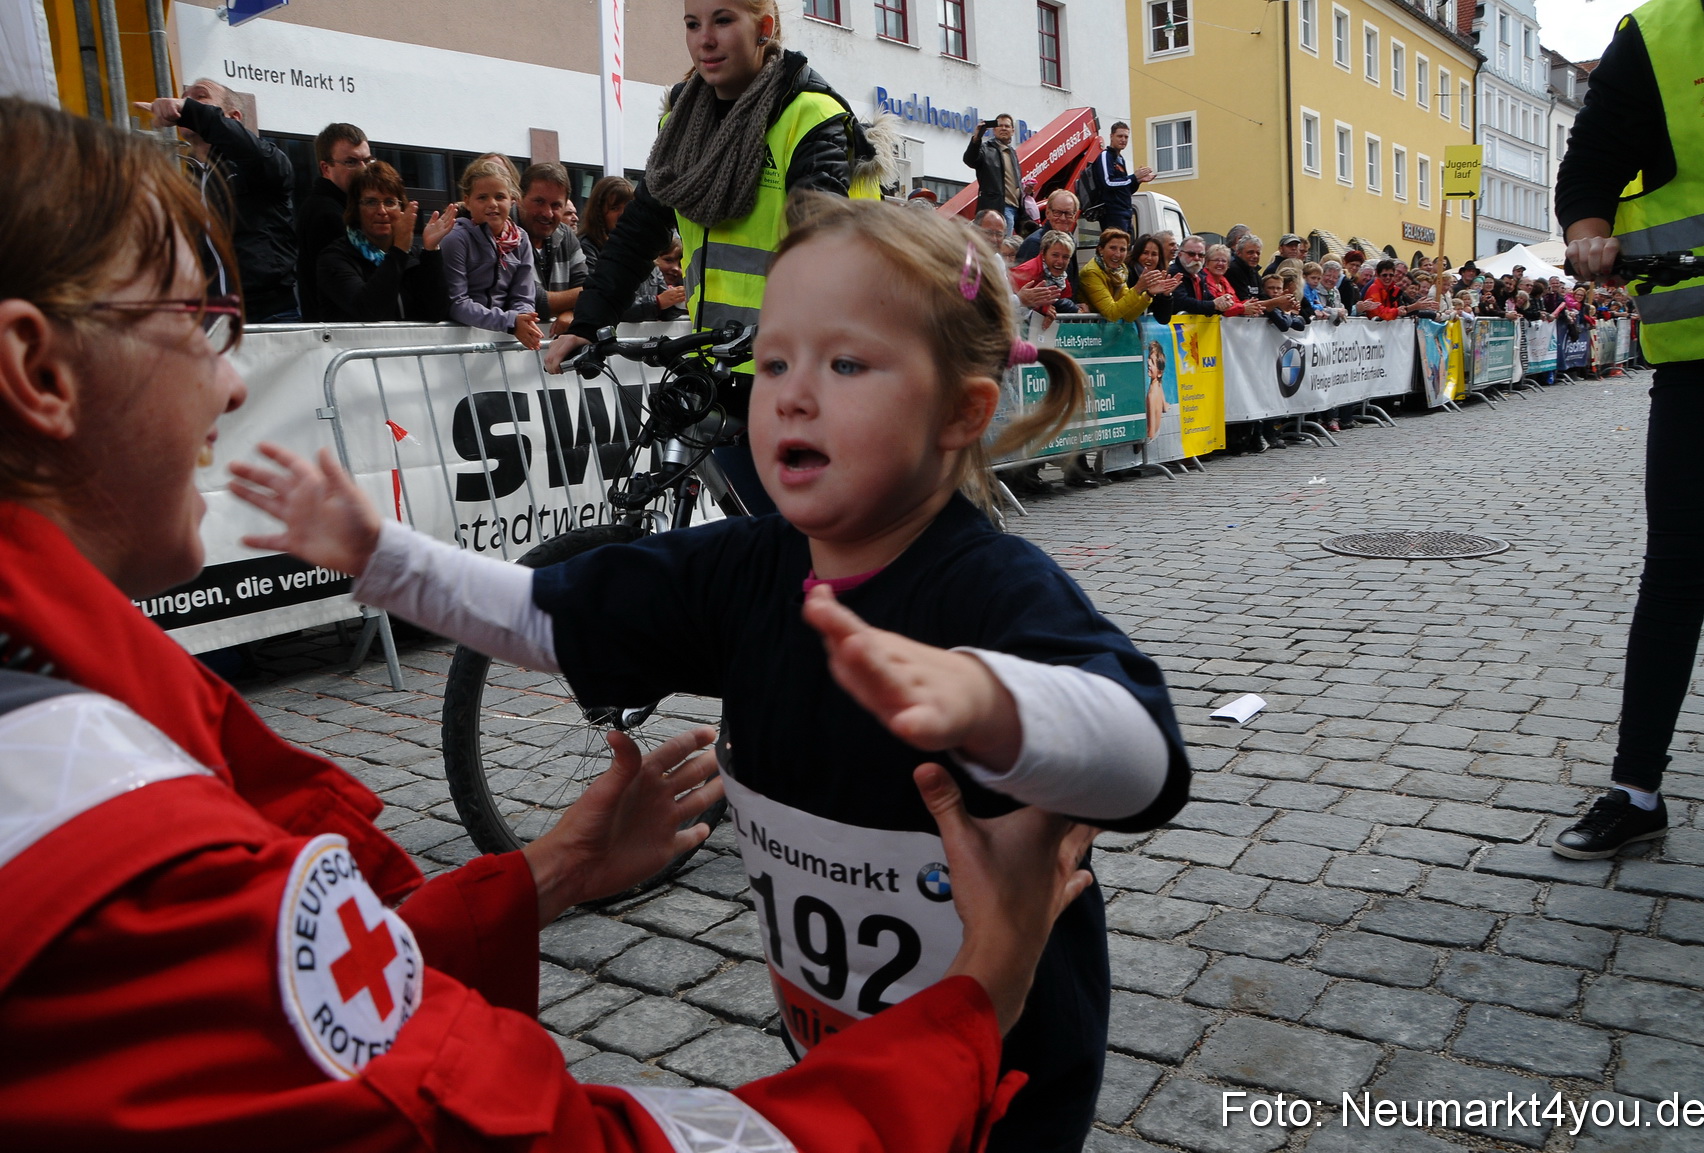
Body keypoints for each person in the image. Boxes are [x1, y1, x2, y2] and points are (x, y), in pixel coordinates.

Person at [0, 96, 1103, 1153]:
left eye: (845, 364)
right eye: (203, 321)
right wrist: (972, 998)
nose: (234, 386)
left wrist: (545, 873)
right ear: (38, 369)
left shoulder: (1000, 586)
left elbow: (284, 993)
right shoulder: (104, 834)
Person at [236, 197, 1192, 1153]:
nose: (791, 393)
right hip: (839, 1056)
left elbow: (1144, 762)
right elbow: (547, 615)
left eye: (846, 363)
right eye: (773, 360)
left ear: (960, 413)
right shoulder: (744, 565)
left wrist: (993, 704)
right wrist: (384, 557)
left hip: (1004, 1074)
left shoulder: (993, 586)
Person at [1550, 0, 1704, 858]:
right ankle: (1635, 790)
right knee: (1676, 575)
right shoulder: (1657, 37)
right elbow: (1590, 163)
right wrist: (1587, 230)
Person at [544, 0, 883, 428]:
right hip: (714, 368)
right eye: (692, 24)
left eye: (723, 20)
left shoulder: (811, 115)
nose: (705, 39)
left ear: (762, 28)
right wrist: (589, 323)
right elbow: (637, 233)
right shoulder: (680, 123)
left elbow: (819, 254)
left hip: (797, 376)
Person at [136, 78, 298, 322]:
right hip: (209, 320)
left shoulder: (261, 161)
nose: (187, 102)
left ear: (233, 117)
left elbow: (246, 148)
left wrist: (189, 111)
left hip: (267, 316)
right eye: (184, 97)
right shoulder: (187, 179)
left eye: (200, 97)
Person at [315, 160, 457, 322]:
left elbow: (435, 313)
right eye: (371, 202)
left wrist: (431, 251)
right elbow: (368, 310)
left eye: (390, 202)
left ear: (402, 208)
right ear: (356, 209)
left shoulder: (413, 256)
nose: (382, 211)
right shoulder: (334, 258)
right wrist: (399, 251)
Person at [444, 157, 542, 350]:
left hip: (503, 337)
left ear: (512, 200)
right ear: (467, 202)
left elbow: (523, 296)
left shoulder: (521, 238)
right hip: (461, 342)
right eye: (482, 197)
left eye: (500, 197)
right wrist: (510, 321)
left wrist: (524, 319)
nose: (492, 204)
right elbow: (457, 303)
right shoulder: (455, 238)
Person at [295, 122, 371, 322]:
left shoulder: (345, 207)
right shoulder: (326, 213)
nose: (364, 170)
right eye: (351, 162)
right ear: (326, 168)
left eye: (367, 160)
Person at [521, 161, 587, 331]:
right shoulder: (504, 234)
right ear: (519, 199)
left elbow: (590, 289)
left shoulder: (566, 235)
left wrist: (571, 313)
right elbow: (534, 300)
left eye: (556, 205)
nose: (547, 213)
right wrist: (575, 304)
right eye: (539, 202)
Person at [1078, 229, 1177, 322]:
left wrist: (1149, 294)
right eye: (1113, 248)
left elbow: (1129, 316)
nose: (1117, 254)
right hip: (1088, 335)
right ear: (1100, 250)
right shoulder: (1091, 272)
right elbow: (1111, 313)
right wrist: (1138, 288)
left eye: (1122, 250)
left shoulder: (1120, 272)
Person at [1089, 122, 1154, 234]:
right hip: (1113, 213)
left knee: (1127, 249)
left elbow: (1125, 189)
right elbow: (1108, 183)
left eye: (1126, 137)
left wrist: (1138, 181)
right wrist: (1133, 177)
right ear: (1111, 136)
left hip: (1126, 213)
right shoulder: (1106, 156)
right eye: (1120, 136)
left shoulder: (1120, 159)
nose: (1123, 140)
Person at [965, 113, 1024, 231]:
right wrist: (976, 138)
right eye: (999, 125)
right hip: (996, 209)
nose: (1003, 128)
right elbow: (969, 160)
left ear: (1012, 131)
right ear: (994, 130)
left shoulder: (1012, 152)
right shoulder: (985, 148)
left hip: (1014, 209)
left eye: (1007, 126)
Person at [574, 174, 635, 285]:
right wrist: (656, 301)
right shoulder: (586, 247)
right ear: (598, 212)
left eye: (627, 208)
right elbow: (597, 293)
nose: (622, 214)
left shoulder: (638, 247)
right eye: (614, 208)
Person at [1008, 229, 1078, 323]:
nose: (1060, 261)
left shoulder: (1060, 277)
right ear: (1043, 253)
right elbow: (1010, 304)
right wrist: (1041, 309)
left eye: (1065, 257)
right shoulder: (1026, 272)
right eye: (1055, 255)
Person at [1225, 234, 1264, 302]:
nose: (1255, 256)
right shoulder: (1233, 270)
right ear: (1239, 253)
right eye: (1250, 252)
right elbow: (1244, 300)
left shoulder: (1254, 272)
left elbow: (1262, 296)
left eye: (1258, 253)